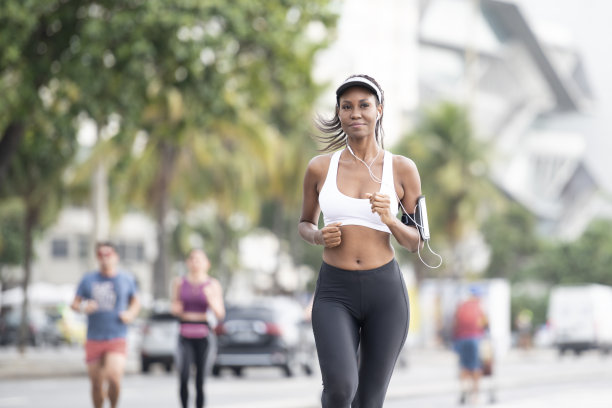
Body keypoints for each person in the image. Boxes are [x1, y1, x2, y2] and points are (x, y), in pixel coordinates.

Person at [298, 74, 424, 407]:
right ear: (339, 113)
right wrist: (318, 236)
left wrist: (390, 220)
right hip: (334, 291)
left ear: (379, 110)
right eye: (347, 106)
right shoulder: (319, 168)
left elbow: (416, 242)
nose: (356, 113)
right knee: (340, 388)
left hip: (385, 293)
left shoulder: (402, 169)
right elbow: (305, 223)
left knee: (369, 400)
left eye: (364, 106)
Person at [71, 241, 140, 408]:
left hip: (117, 336)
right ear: (97, 258)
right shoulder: (88, 279)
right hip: (94, 337)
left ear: (115, 257)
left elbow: (136, 302)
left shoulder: (126, 279)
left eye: (108, 254)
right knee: (96, 384)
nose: (104, 258)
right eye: (100, 255)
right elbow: (74, 303)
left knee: (114, 379)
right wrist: (83, 307)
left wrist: (130, 314)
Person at [171, 248, 225, 408]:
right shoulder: (179, 283)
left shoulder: (212, 284)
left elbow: (220, 313)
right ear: (188, 263)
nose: (195, 262)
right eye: (192, 259)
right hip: (184, 332)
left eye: (199, 259)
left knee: (200, 379)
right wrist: (175, 309)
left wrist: (211, 299)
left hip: (203, 334)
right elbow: (174, 307)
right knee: (183, 375)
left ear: (206, 264)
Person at [452, 285, 488, 405]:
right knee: (476, 366)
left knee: (464, 366)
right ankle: (475, 395)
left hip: (461, 339)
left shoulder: (461, 305)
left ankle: (464, 390)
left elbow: (455, 323)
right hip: (474, 338)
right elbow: (484, 323)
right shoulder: (479, 306)